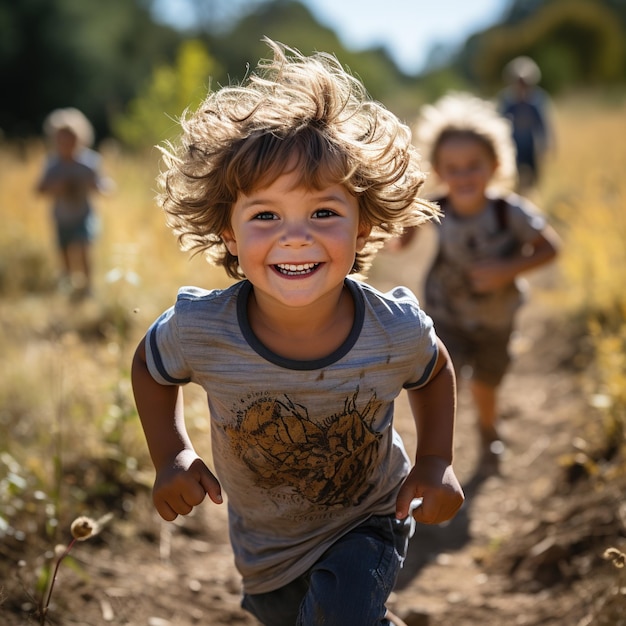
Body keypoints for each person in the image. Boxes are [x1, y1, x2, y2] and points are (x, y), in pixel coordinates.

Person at [131, 39, 464, 626]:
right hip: (266, 551)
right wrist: (172, 454)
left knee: (342, 612)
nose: (295, 237)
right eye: (265, 216)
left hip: (371, 518)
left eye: (323, 213)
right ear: (228, 233)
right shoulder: (202, 329)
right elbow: (151, 366)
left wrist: (435, 459)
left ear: (363, 226)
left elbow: (433, 369)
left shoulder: (392, 329)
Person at [397, 92, 561, 476]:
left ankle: (489, 431)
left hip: (495, 319)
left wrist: (507, 269)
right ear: (438, 171)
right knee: (440, 381)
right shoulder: (437, 207)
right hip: (445, 313)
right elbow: (400, 242)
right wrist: (397, 217)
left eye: (474, 165)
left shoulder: (509, 210)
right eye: (452, 168)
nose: (463, 176)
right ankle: (436, 460)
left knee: (486, 386)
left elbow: (550, 247)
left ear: (496, 164)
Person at [36, 107, 109, 298]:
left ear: (81, 138)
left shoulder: (89, 162)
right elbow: (39, 189)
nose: (66, 143)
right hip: (61, 217)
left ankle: (88, 288)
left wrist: (99, 187)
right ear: (55, 139)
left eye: (71, 138)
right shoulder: (52, 164)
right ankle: (68, 287)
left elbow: (104, 185)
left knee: (84, 248)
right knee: (65, 253)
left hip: (84, 215)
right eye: (62, 138)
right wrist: (54, 187)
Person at [498, 56, 553, 192]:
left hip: (531, 145)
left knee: (533, 178)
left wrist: (545, 145)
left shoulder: (536, 100)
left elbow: (543, 125)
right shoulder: (507, 101)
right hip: (512, 145)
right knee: (513, 177)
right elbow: (499, 124)